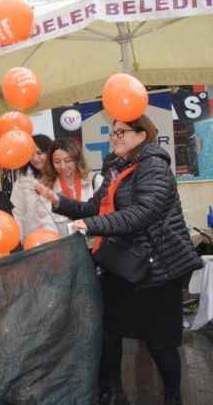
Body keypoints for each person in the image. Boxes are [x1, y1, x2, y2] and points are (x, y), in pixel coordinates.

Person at [36, 116, 203, 405]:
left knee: (160, 342)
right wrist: (59, 202)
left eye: (121, 132)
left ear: (142, 134)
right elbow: (95, 207)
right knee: (108, 329)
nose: (114, 138)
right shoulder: (116, 166)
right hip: (123, 264)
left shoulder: (154, 166)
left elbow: (143, 212)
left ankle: (173, 396)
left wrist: (91, 225)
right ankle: (113, 391)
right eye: (113, 133)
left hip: (158, 266)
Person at [10, 134, 54, 238]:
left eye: (39, 153)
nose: (35, 158)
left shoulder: (61, 177)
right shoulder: (21, 183)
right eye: (31, 154)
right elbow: (17, 216)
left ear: (50, 152)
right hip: (33, 243)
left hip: (62, 241)